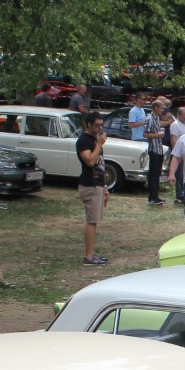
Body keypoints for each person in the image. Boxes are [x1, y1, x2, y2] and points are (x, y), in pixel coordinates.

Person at [77, 112, 110, 264]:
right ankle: (88, 256)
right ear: (88, 124)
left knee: (94, 221)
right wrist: (98, 144)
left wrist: (104, 187)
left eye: (101, 125)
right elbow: (90, 161)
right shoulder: (83, 140)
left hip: (97, 185)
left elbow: (99, 165)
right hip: (89, 185)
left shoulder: (94, 139)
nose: (99, 128)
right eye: (96, 125)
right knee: (91, 221)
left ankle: (91, 253)